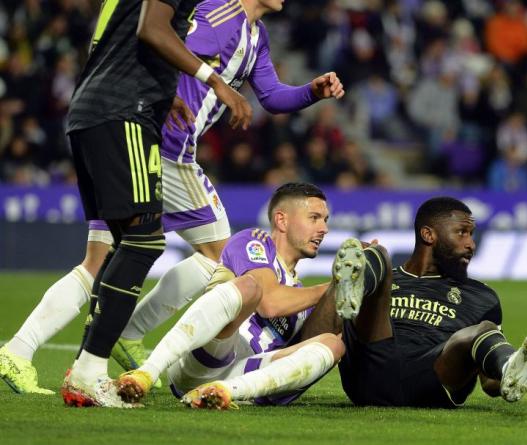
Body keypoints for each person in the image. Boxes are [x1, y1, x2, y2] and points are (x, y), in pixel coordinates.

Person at [0, 0, 345, 397]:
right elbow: (164, 43)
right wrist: (187, 94)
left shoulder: (256, 35)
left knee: (101, 257)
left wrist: (311, 92)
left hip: (133, 131)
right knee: (221, 255)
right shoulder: (219, 14)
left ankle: (20, 349)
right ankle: (129, 332)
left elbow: (271, 96)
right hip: (165, 145)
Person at [298, 196, 527, 407]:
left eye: (471, 235)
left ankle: (512, 364)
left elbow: (488, 384)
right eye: (462, 233)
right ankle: (352, 280)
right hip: (371, 366)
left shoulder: (482, 297)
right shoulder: (386, 278)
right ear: (429, 235)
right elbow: (309, 342)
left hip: (432, 378)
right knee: (376, 254)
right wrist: (339, 285)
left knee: (483, 330)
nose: (471, 244)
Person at [116, 182, 343, 408]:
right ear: (281, 220)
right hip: (208, 356)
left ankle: (222, 393)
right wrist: (335, 286)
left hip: (247, 375)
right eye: (314, 218)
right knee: (250, 288)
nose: (323, 228)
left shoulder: (304, 296)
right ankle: (146, 373)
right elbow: (270, 304)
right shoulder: (254, 242)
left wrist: (367, 282)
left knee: (334, 345)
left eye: (325, 220)